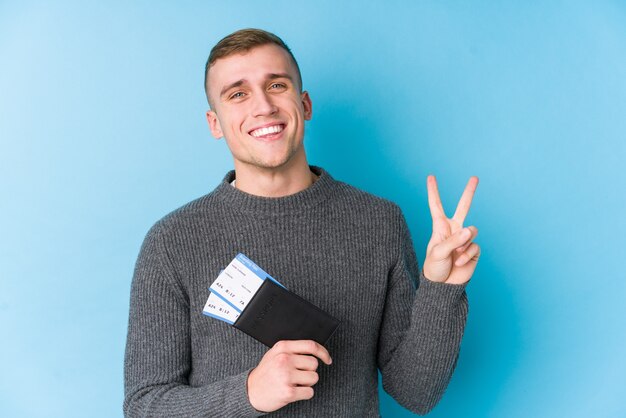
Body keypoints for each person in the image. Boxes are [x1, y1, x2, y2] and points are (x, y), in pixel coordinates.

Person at [124, 28, 480, 417]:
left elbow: (416, 393)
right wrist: (248, 393)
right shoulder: (172, 241)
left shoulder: (379, 221)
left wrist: (441, 289)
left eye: (276, 85)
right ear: (215, 123)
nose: (263, 107)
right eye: (238, 94)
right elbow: (145, 407)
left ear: (304, 103)